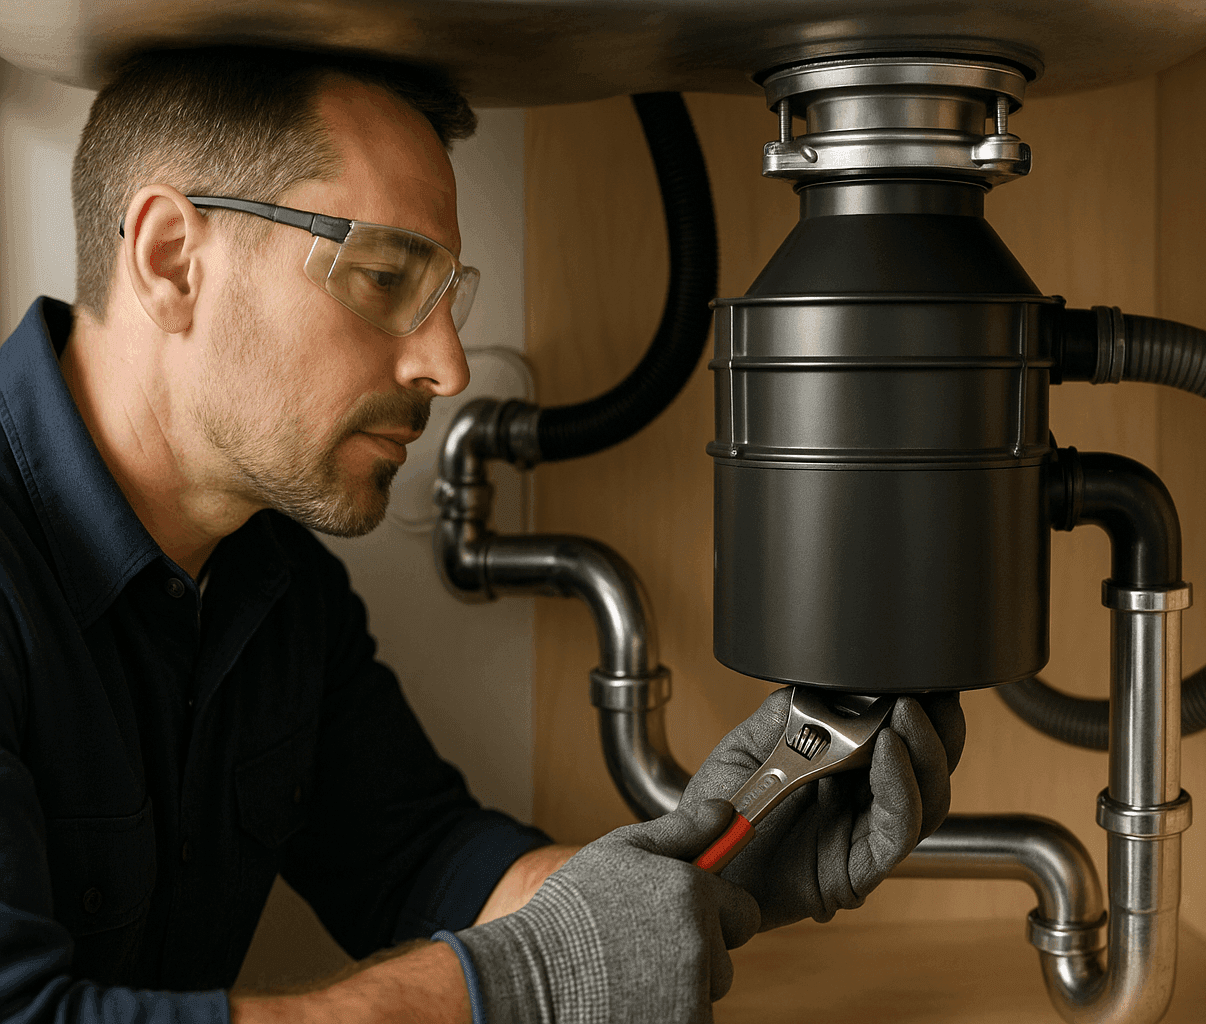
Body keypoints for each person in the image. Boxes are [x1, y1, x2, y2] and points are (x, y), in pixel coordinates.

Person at [0, 46, 965, 1024]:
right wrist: (524, 984)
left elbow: (424, 858)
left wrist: (717, 851)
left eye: (446, 296)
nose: (447, 364)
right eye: (383, 276)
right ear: (171, 259)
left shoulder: (275, 581)